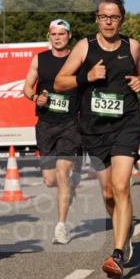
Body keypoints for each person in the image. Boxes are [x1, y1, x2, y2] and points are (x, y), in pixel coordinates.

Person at [55, 0, 140, 279]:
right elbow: (60, 82)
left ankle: (117, 253)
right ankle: (124, 229)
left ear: (121, 19)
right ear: (97, 19)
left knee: (121, 186)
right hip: (94, 129)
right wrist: (87, 77)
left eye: (114, 17)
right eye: (104, 16)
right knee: (108, 194)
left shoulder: (133, 46)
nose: (109, 21)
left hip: (126, 123)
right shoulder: (85, 47)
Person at [23, 19, 81, 245]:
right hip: (46, 124)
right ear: (49, 36)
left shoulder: (76, 59)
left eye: (61, 34)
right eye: (53, 34)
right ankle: (69, 189)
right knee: (50, 180)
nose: (57, 37)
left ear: (69, 36)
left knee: (63, 174)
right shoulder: (40, 59)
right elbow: (27, 87)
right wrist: (35, 97)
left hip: (70, 124)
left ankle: (61, 225)